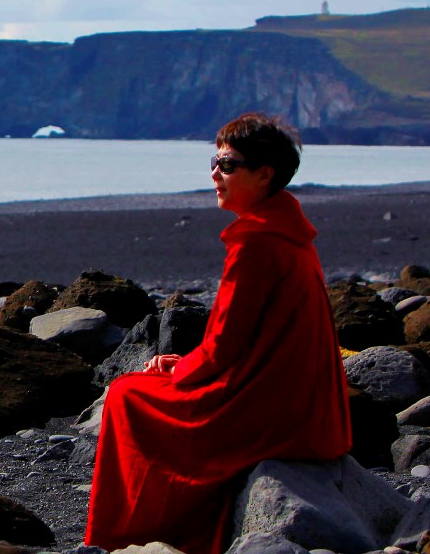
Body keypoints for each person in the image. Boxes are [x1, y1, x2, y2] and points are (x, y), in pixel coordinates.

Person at [84, 113, 351, 554]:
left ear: (264, 175)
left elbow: (224, 347)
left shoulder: (256, 243)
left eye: (227, 165)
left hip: (276, 415)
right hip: (313, 412)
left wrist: (179, 369)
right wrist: (186, 364)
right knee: (145, 386)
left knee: (128, 395)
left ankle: (129, 537)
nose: (214, 173)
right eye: (215, 161)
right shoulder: (289, 232)